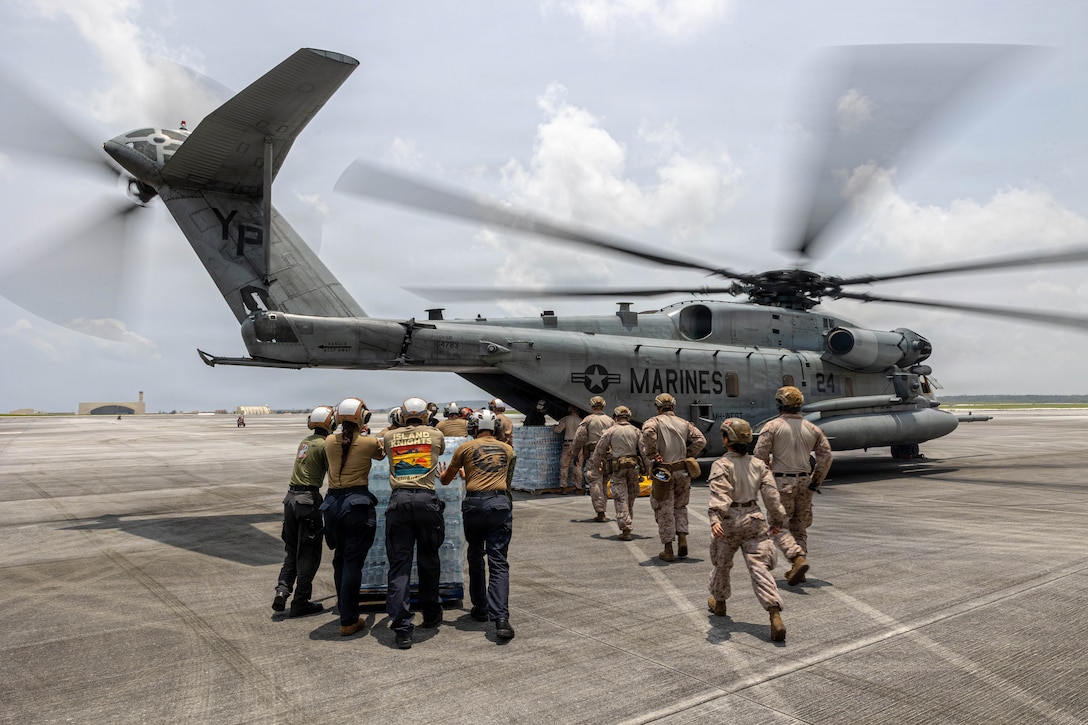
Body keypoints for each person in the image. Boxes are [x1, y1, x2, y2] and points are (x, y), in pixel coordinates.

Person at [438, 409, 516, 641]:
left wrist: (454, 474)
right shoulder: (508, 449)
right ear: (497, 429)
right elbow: (493, 472)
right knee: (498, 562)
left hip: (474, 505)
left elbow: (446, 478)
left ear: (472, 427)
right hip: (499, 504)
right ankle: (501, 619)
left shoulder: (465, 448)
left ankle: (480, 607)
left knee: (475, 555)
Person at [707, 418, 787, 642]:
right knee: (760, 567)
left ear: (726, 440)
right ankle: (774, 614)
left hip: (730, 519)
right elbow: (771, 496)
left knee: (722, 563)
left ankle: (720, 603)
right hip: (754, 517)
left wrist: (715, 518)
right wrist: (777, 519)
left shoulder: (721, 465)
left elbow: (720, 495)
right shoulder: (759, 465)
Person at [381, 397, 446, 650]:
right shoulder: (435, 434)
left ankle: (402, 629)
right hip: (427, 501)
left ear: (402, 415)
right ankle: (431, 614)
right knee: (429, 559)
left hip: (398, 502)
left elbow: (384, 438)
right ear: (426, 416)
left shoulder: (389, 437)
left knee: (399, 568)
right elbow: (439, 449)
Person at [319, 398, 385, 636]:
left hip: (333, 505)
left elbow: (343, 442)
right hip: (356, 504)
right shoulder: (368, 443)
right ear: (363, 418)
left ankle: (344, 606)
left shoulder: (328, 441)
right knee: (352, 563)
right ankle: (348, 619)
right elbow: (381, 454)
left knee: (340, 560)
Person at [754, 386, 832, 586]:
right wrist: (816, 481)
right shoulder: (813, 428)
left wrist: (765, 476)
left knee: (778, 526)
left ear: (779, 404)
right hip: (805, 482)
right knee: (799, 526)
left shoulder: (772, 426)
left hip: (781, 482)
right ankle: (800, 565)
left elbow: (759, 456)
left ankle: (795, 558)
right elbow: (826, 456)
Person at [273, 406, 333, 618]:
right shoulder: (327, 444)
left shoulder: (305, 441)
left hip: (290, 499)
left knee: (292, 549)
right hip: (308, 500)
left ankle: (282, 590)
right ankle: (300, 601)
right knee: (309, 553)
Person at [640, 393, 706, 562]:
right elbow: (701, 440)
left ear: (658, 407)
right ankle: (682, 537)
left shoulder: (653, 422)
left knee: (664, 508)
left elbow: (647, 433)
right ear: (673, 407)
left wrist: (652, 453)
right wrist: (688, 454)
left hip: (664, 472)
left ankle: (668, 548)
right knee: (681, 505)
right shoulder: (684, 423)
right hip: (682, 471)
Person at [586, 406, 643, 540]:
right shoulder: (636, 431)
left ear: (616, 417)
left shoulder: (611, 431)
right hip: (634, 467)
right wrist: (650, 468)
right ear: (628, 416)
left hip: (618, 468)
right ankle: (628, 520)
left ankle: (625, 529)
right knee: (631, 496)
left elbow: (599, 450)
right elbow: (644, 451)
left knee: (620, 498)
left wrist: (596, 465)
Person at [572, 396, 615, 521]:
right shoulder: (611, 421)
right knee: (604, 484)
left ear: (591, 407)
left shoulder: (588, 420)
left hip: (593, 455)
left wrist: (575, 454)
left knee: (595, 482)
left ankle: (600, 511)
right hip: (608, 455)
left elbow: (579, 438)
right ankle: (603, 509)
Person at [552, 406, 583, 494]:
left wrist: (553, 427)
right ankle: (578, 487)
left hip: (567, 444)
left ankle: (563, 487)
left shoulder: (566, 419)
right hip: (578, 445)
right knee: (578, 466)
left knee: (564, 466)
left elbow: (558, 430)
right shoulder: (581, 421)